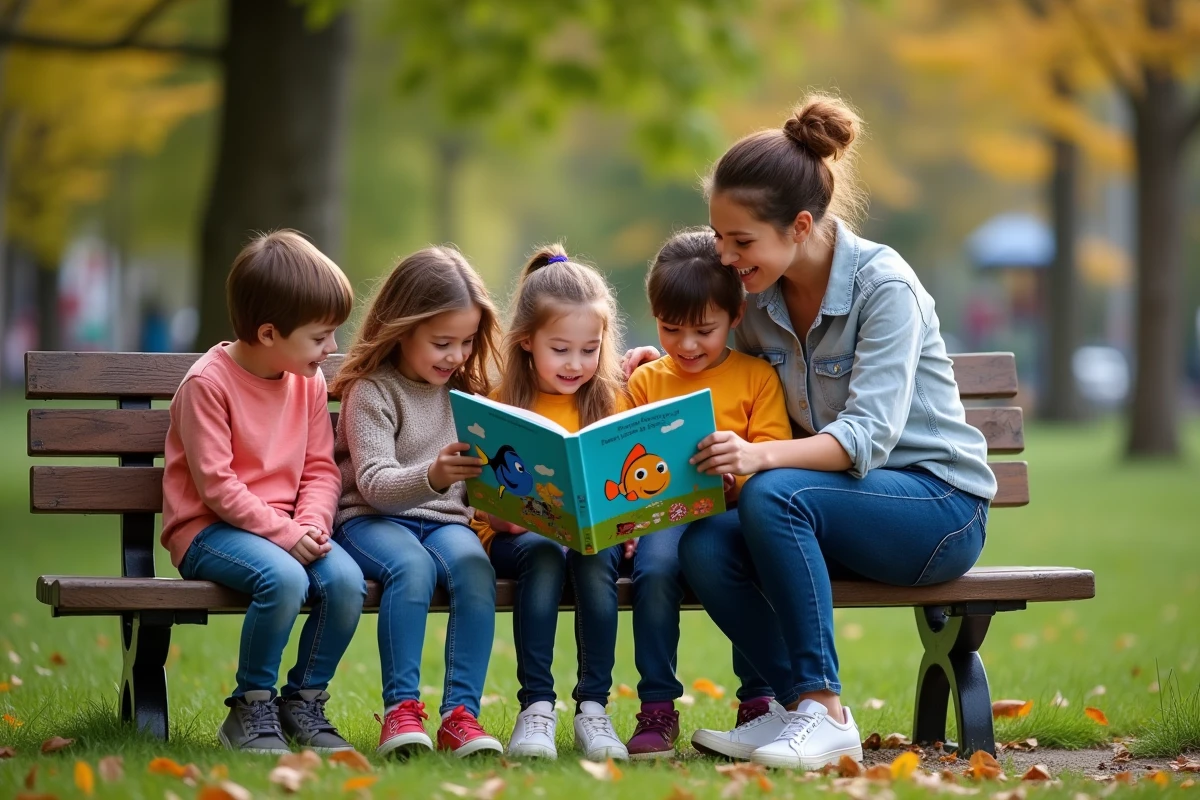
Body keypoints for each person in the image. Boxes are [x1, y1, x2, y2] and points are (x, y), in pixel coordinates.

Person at [626, 95, 997, 769]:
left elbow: (866, 438)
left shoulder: (884, 288)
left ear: (800, 226)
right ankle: (793, 709)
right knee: (706, 545)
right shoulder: (756, 297)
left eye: (741, 241)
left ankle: (825, 712)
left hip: (935, 507)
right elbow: (720, 367)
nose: (726, 256)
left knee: (773, 491)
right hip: (831, 509)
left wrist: (759, 455)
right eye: (719, 237)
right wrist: (666, 364)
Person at [161, 230, 364, 755]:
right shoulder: (207, 385)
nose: (332, 348)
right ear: (269, 333)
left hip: (286, 528)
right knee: (284, 577)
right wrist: (285, 533)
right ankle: (250, 706)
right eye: (320, 337)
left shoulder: (307, 382)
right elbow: (217, 486)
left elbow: (320, 468)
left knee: (345, 581)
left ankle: (303, 702)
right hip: (208, 530)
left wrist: (312, 523)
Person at [620, 229, 791, 759]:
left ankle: (759, 700)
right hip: (666, 516)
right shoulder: (646, 381)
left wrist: (736, 474)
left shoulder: (756, 377)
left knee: (755, 560)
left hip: (735, 514)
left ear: (736, 316)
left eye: (704, 330)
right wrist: (629, 521)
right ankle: (656, 706)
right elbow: (624, 464)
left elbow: (773, 457)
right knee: (654, 570)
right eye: (671, 330)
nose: (687, 345)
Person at [331, 246, 503, 758]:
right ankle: (401, 711)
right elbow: (374, 483)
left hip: (445, 523)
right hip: (371, 519)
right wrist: (433, 475)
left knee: (475, 567)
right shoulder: (372, 391)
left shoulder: (465, 394)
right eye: (442, 343)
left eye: (467, 342)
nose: (456, 356)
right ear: (401, 328)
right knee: (411, 568)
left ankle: (461, 717)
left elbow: (475, 485)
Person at [475, 244, 632, 761]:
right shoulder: (502, 404)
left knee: (595, 555)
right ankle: (537, 707)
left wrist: (627, 525)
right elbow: (485, 505)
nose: (576, 364)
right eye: (561, 349)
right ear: (527, 341)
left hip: (590, 537)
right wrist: (508, 517)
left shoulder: (610, 400)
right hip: (515, 537)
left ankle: (594, 708)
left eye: (590, 350)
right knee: (543, 551)